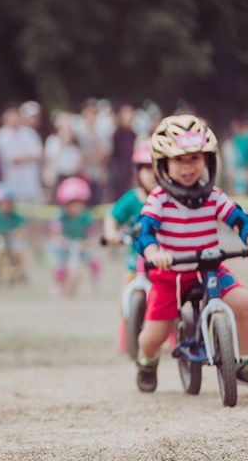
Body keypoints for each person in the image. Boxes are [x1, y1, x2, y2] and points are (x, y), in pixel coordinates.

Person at [133, 114, 248, 392]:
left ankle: (241, 361)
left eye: (195, 158)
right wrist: (153, 251)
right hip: (171, 273)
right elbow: (144, 230)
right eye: (179, 160)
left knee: (244, 303)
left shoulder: (213, 196)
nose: (188, 167)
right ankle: (146, 362)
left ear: (208, 160)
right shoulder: (159, 200)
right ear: (163, 164)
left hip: (209, 269)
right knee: (153, 337)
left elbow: (240, 219)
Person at [102, 142, 158, 352]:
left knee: (171, 302)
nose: (151, 174)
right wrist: (111, 233)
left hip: (165, 263)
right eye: (146, 168)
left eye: (156, 168)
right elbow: (113, 216)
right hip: (137, 266)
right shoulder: (133, 199)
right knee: (125, 298)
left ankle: (174, 338)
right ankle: (125, 339)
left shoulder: (167, 198)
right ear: (137, 172)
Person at [49, 177, 100, 296]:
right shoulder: (61, 216)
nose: (76, 207)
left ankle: (95, 280)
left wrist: (88, 242)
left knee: (93, 259)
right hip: (65, 245)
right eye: (72, 204)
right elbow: (55, 232)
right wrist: (60, 240)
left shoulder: (86, 216)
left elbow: (92, 233)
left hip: (81, 244)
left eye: (79, 203)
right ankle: (58, 284)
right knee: (59, 263)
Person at [0, 103, 43, 203]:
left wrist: (23, 158)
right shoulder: (0, 137)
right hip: (12, 184)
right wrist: (28, 157)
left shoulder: (29, 133)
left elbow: (39, 154)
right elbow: (9, 160)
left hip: (32, 183)